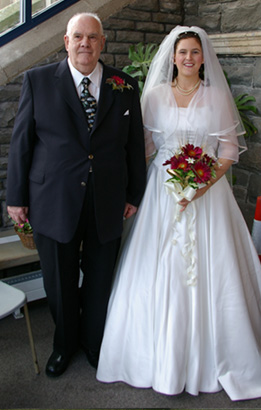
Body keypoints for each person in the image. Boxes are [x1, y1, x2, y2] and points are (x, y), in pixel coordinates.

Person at [96, 26, 261, 400]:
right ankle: (150, 355)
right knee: (156, 266)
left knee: (214, 270)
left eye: (195, 53)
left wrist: (200, 186)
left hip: (208, 196)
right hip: (161, 195)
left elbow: (228, 152)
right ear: (172, 57)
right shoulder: (152, 97)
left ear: (204, 59)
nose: (188, 58)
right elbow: (145, 150)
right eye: (182, 52)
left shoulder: (216, 97)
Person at [6, 12, 146, 377]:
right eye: (78, 37)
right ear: (66, 42)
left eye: (93, 37)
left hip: (108, 199)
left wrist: (135, 193)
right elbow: (22, 144)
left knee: (101, 278)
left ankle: (94, 342)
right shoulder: (37, 81)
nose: (85, 43)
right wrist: (15, 198)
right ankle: (64, 345)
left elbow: (133, 147)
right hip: (52, 201)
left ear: (102, 43)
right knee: (59, 281)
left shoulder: (125, 84)